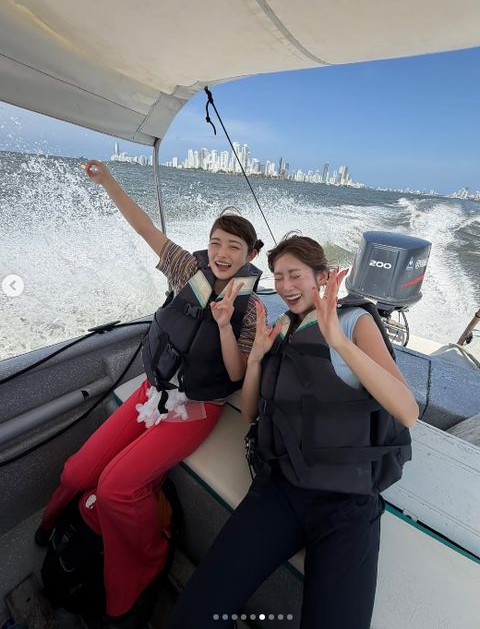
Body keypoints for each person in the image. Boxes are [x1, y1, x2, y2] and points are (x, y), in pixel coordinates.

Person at [35, 160, 264, 628]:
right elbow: (145, 228)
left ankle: (140, 573)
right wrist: (108, 181)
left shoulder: (252, 309)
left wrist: (224, 323)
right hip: (153, 390)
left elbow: (236, 372)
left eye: (234, 247)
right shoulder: (188, 270)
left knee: (115, 489)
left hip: (195, 408)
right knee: (77, 470)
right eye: (216, 242)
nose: (221, 253)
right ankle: (51, 523)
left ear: (250, 254)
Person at [169, 235, 419, 629]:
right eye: (278, 276)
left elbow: (407, 411)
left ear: (322, 277)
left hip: (346, 502)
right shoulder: (283, 328)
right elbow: (250, 412)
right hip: (281, 490)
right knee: (197, 611)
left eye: (295, 275)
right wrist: (255, 360)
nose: (285, 286)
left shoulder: (354, 322)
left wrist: (338, 341)